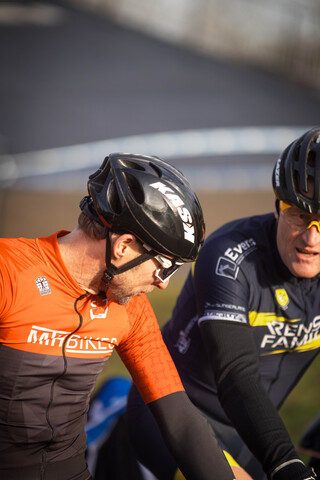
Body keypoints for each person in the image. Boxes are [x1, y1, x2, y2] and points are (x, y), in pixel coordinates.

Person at [0, 153, 236, 480]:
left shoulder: (131, 308)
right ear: (124, 245)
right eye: (165, 265)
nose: (163, 281)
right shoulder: (9, 272)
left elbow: (179, 419)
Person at [126, 127, 320, 480]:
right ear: (278, 207)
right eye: (299, 216)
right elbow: (236, 375)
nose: (311, 238)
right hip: (176, 417)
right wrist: (286, 463)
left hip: (252, 436)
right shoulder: (229, 256)